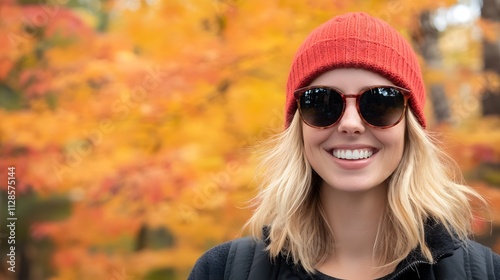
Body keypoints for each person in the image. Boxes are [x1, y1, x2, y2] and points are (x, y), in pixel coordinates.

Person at [188, 12, 500, 280]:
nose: (350, 123)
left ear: (411, 125)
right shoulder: (224, 271)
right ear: (298, 126)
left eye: (380, 101)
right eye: (322, 102)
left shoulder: (484, 273)